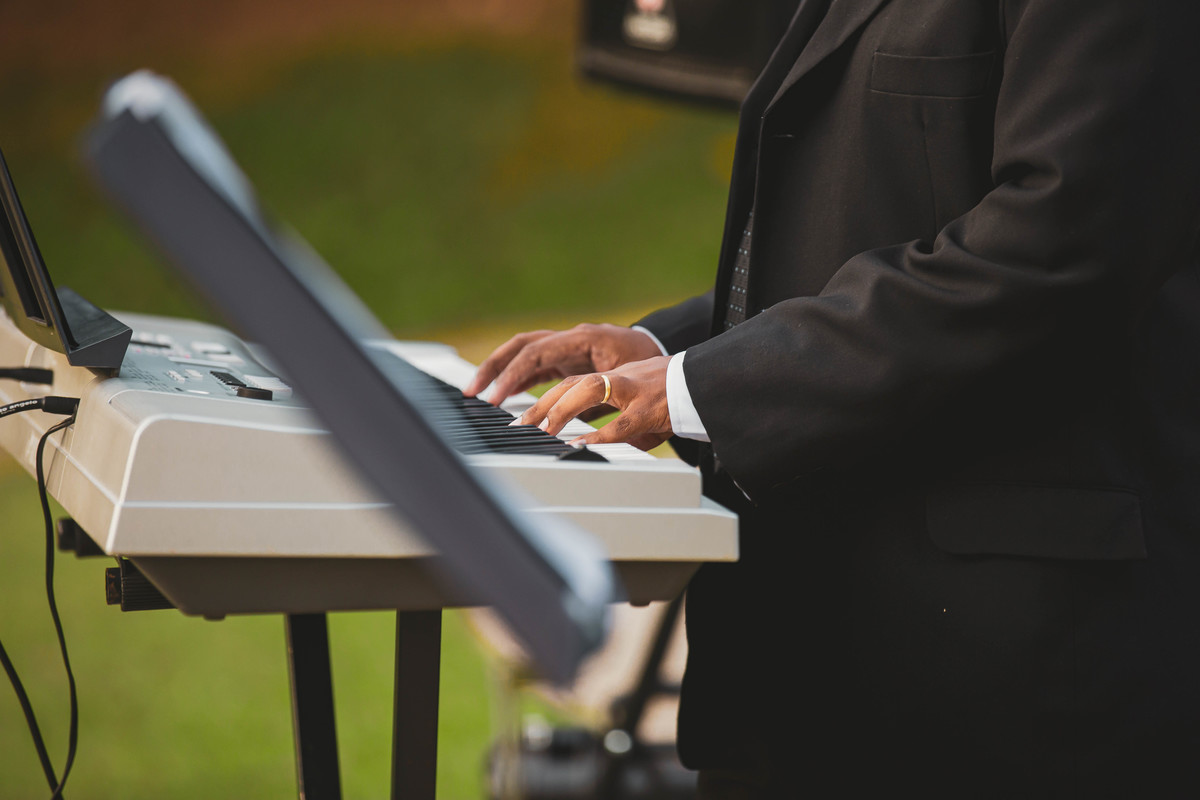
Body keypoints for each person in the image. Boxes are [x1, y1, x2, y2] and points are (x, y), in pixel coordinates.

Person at [465, 0, 1200, 796]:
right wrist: (673, 346)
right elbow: (857, 232)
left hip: (1001, 681)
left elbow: (1053, 257)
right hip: (815, 642)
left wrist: (704, 386)